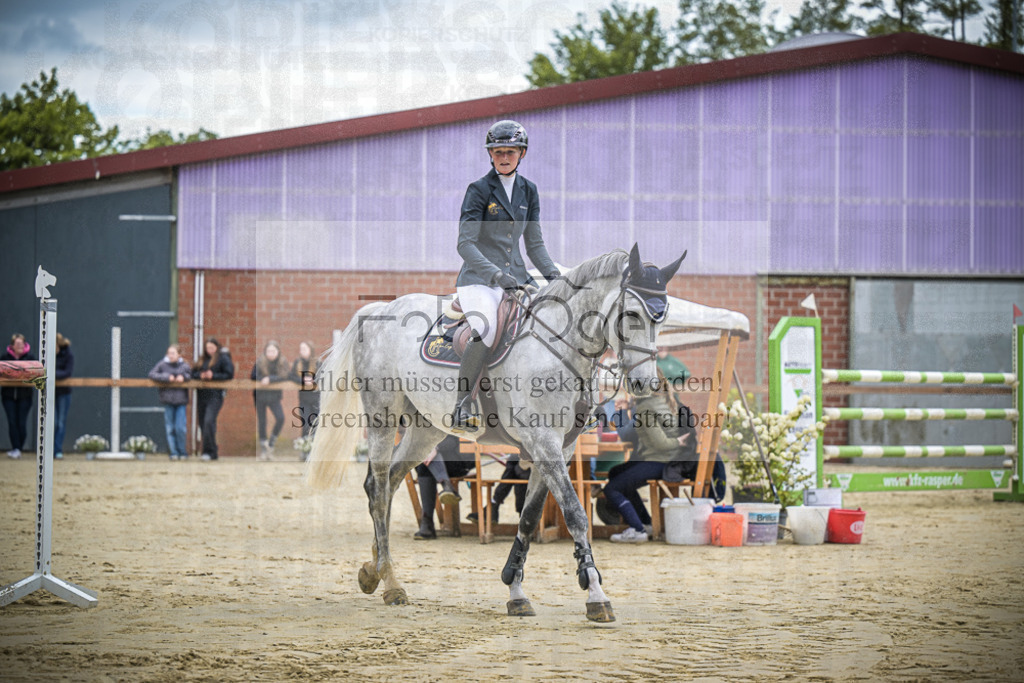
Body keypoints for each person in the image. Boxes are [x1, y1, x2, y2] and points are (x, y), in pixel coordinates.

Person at [450, 119, 561, 433]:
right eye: (497, 151)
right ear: (490, 154)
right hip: (479, 279)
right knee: (486, 328)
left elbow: (535, 245)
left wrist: (554, 276)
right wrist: (496, 274)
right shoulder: (479, 190)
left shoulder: (530, 191)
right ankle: (462, 404)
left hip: (518, 277)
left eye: (509, 151)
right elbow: (465, 244)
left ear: (521, 153)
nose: (503, 157)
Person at [605, 369, 696, 544]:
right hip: (671, 461)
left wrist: (622, 412)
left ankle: (638, 530)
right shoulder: (668, 400)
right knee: (616, 472)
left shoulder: (646, 407)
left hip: (659, 462)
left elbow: (628, 435)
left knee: (611, 489)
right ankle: (645, 523)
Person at [414, 434, 474, 539]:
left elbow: (453, 441)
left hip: (457, 461)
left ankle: (427, 525)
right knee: (425, 462)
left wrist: (435, 448)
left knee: (425, 462)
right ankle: (447, 486)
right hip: (430, 462)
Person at [193, 338, 234, 461]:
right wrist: (200, 376)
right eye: (207, 348)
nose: (209, 350)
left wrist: (213, 376)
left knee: (208, 421)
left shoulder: (223, 359)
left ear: (217, 347)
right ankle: (213, 451)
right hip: (201, 395)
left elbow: (229, 374)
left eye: (212, 348)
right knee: (203, 423)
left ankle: (208, 451)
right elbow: (192, 373)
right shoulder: (202, 359)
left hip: (215, 395)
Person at [148, 345, 191, 460]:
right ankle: (174, 452)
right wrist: (167, 377)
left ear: (179, 355)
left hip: (181, 400)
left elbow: (191, 375)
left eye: (173, 353)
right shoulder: (162, 364)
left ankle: (182, 451)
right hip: (167, 400)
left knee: (180, 427)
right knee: (170, 428)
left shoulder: (185, 366)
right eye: (169, 353)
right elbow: (152, 374)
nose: (170, 355)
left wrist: (184, 377)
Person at [2, 333, 37, 459]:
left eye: (21, 343)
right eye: (17, 344)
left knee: (21, 423)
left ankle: (19, 447)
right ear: (12, 345)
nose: (20, 346)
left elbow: (34, 374)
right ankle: (16, 448)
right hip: (8, 396)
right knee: (12, 422)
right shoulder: (5, 357)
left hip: (24, 396)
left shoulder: (30, 357)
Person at [251, 340, 287, 460]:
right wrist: (262, 379)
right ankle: (264, 450)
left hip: (274, 396)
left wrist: (270, 379)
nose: (271, 353)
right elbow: (253, 375)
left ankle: (271, 443)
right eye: (268, 351)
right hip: (260, 396)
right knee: (262, 421)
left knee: (280, 418)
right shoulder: (260, 362)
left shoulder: (282, 362)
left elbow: (284, 376)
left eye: (273, 351)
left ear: (278, 352)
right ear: (265, 352)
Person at [288, 340, 320, 439]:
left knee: (314, 424)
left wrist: (313, 381)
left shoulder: (317, 363)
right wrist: (302, 380)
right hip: (303, 399)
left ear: (310, 350)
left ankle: (313, 447)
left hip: (316, 399)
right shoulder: (298, 363)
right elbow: (291, 376)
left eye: (304, 349)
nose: (301, 351)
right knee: (305, 423)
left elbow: (322, 376)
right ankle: (304, 448)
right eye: (301, 349)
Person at [53, 332, 74, 459]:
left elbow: (67, 372)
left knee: (60, 422)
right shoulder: (47, 355)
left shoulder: (68, 355)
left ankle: (57, 449)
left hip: (64, 393)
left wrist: (52, 373)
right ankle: (50, 449)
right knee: (52, 422)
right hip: (50, 392)